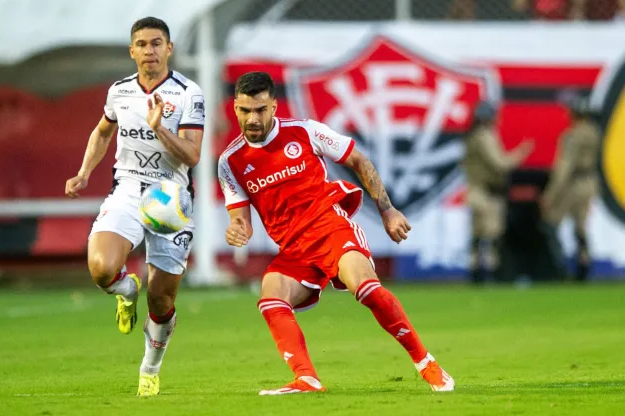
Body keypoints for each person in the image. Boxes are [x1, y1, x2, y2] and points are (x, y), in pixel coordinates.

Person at [218, 71, 454, 395]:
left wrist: (387, 210)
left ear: (273, 106)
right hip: (293, 248)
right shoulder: (230, 161)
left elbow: (358, 160)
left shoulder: (305, 131)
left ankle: (425, 362)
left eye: (260, 109)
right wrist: (236, 229)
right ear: (235, 108)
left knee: (367, 289)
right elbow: (239, 218)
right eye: (246, 111)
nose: (253, 118)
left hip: (329, 225)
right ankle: (307, 379)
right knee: (271, 296)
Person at [64, 17, 205, 396]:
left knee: (161, 300)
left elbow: (192, 155)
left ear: (169, 49)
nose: (149, 51)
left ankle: (150, 367)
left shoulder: (189, 93)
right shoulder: (119, 91)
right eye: (141, 44)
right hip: (127, 188)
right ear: (132, 51)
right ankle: (127, 291)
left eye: (157, 43)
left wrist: (160, 128)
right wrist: (83, 173)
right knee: (100, 268)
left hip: (170, 198)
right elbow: (103, 131)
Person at [461, 101, 534, 284]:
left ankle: (480, 275)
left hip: (483, 192)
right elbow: (500, 164)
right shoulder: (484, 136)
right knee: (487, 238)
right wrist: (521, 153)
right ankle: (485, 277)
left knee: (481, 237)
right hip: (484, 193)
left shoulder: (476, 135)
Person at [541, 95, 601, 281]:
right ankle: (584, 266)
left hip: (573, 184)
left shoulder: (573, 134)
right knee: (580, 228)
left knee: (551, 224)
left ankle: (559, 269)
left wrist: (550, 193)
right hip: (590, 182)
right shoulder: (594, 132)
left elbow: (565, 166)